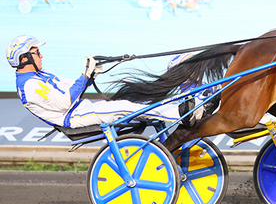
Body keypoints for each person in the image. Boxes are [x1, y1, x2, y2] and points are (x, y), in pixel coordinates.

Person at [7, 35, 202, 129]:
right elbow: (66, 101)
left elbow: (74, 88)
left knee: (138, 104)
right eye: (36, 52)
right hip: (75, 117)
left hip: (82, 110)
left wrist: (91, 75)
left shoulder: (39, 76)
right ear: (24, 58)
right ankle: (182, 112)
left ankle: (182, 105)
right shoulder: (29, 85)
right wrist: (84, 75)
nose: (41, 55)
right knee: (125, 106)